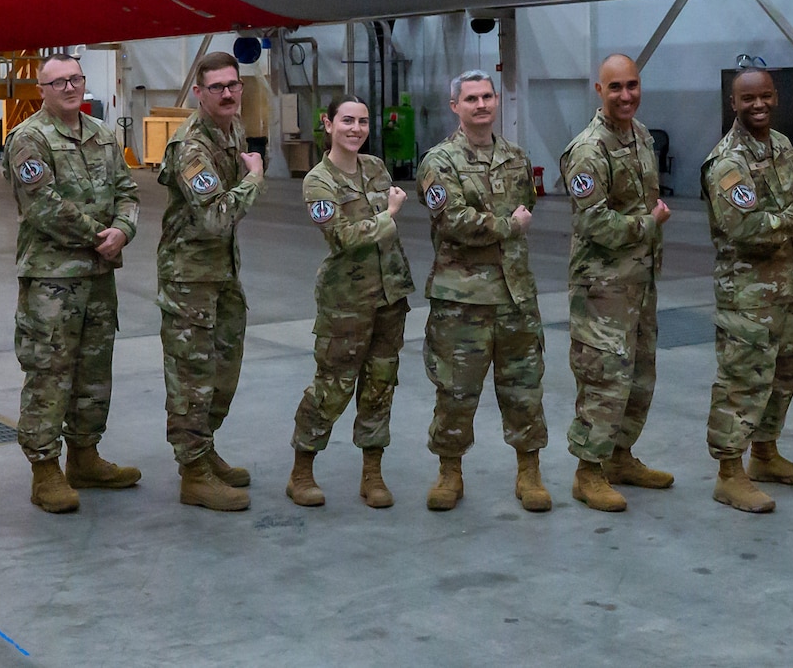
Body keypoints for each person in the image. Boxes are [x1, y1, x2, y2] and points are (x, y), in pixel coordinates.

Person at [4, 52, 142, 514]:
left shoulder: (102, 134)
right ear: (41, 90)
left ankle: (85, 456)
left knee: (94, 371)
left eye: (76, 79)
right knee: (49, 372)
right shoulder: (29, 139)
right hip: (52, 280)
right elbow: (43, 206)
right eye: (58, 82)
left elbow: (128, 190)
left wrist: (124, 228)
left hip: (99, 276)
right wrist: (98, 235)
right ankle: (45, 469)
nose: (69, 87)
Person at [416, 70, 551, 514]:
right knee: (455, 392)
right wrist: (507, 226)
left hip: (515, 296)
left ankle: (529, 471)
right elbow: (451, 221)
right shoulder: (438, 161)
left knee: (524, 389)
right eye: (471, 98)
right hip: (462, 302)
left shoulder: (515, 157)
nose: (481, 104)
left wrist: (509, 223)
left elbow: (528, 202)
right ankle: (449, 472)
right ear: (455, 105)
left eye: (487, 96)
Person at [701, 65, 793, 513]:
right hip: (747, 293)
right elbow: (744, 228)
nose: (758, 105)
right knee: (742, 381)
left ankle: (766, 454)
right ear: (733, 104)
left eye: (765, 96)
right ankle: (729, 473)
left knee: (784, 374)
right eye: (748, 98)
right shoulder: (728, 162)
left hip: (787, 287)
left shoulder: (782, 145)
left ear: (775, 97)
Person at [286, 95, 415, 509]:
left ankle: (372, 474)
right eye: (347, 121)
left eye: (362, 121)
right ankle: (301, 471)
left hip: (390, 296)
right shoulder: (318, 181)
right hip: (346, 302)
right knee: (332, 387)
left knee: (380, 386)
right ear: (328, 124)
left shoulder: (375, 167)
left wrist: (381, 222)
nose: (355, 129)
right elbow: (340, 237)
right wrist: (388, 214)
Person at [558, 52, 673, 512]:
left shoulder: (641, 135)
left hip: (638, 282)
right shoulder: (588, 149)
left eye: (633, 85)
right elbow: (595, 225)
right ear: (599, 91)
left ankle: (621, 457)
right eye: (616, 88)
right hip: (602, 287)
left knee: (640, 376)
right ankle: (588, 472)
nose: (626, 95)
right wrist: (649, 223)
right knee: (604, 379)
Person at [156, 50, 265, 511]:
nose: (227, 93)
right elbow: (217, 216)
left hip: (221, 271)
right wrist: (255, 178)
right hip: (189, 278)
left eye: (233, 85)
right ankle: (193, 472)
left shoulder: (231, 129)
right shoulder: (192, 146)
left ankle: (205, 448)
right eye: (216, 87)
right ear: (198, 93)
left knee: (224, 367)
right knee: (192, 376)